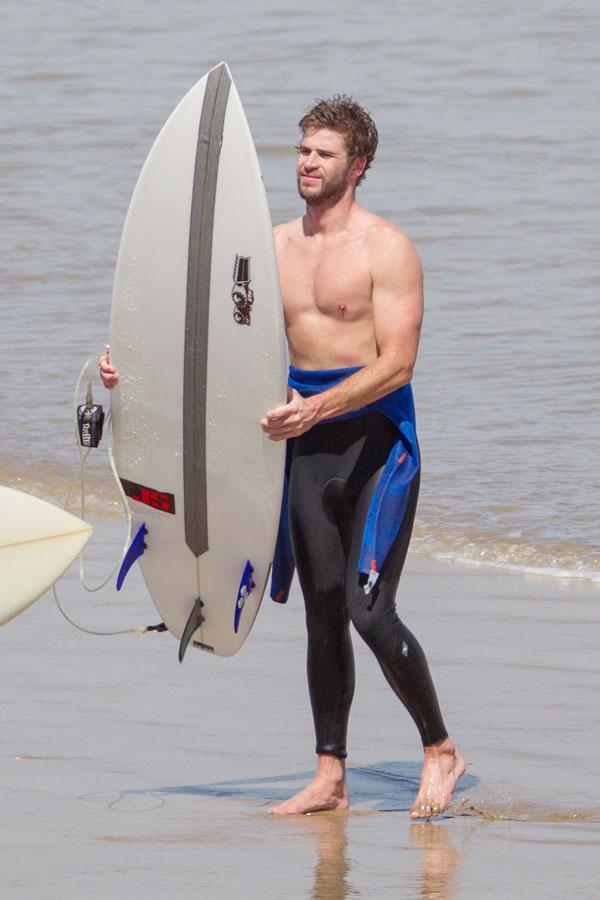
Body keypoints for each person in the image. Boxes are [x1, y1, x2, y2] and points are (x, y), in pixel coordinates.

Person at [100, 95, 465, 819]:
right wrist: (128, 368)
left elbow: (398, 364)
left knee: (367, 608)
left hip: (373, 446)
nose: (305, 162)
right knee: (321, 611)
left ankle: (440, 747)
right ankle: (330, 776)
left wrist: (319, 407)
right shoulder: (266, 250)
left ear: (357, 166)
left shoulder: (385, 249)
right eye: (301, 150)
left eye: (323, 153)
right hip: (300, 446)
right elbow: (207, 337)